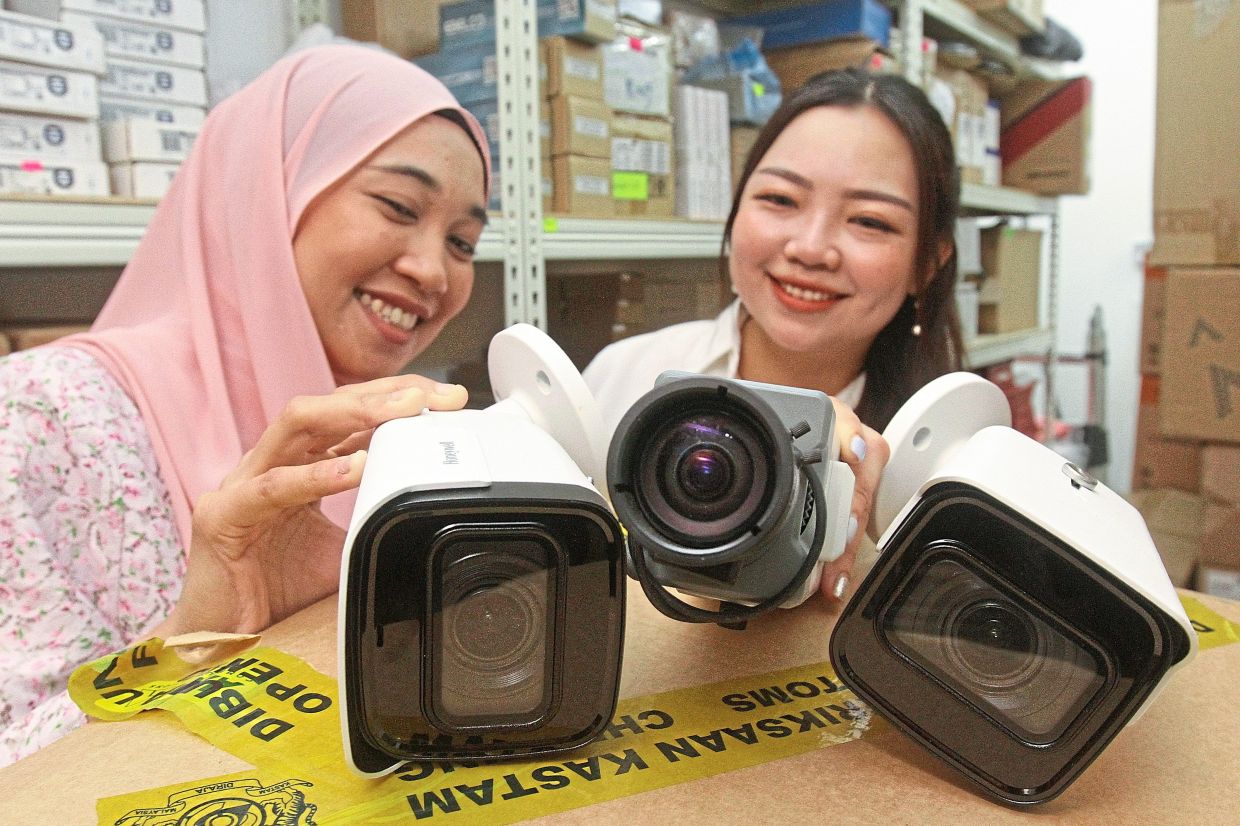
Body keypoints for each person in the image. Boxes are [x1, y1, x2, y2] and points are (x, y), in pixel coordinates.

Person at [0, 44, 491, 765]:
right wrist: (193, 639)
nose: (430, 270)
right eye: (397, 206)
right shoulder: (42, 417)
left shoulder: (400, 452)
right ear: (268, 191)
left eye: (463, 241)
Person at [585, 68, 964, 605]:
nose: (811, 248)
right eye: (781, 200)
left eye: (871, 222)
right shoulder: (622, 375)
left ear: (929, 262)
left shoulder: (947, 471)